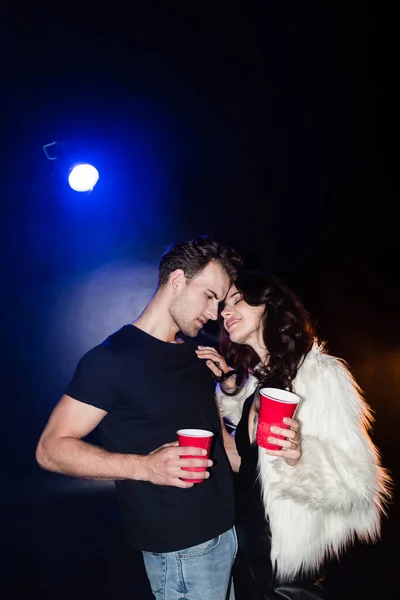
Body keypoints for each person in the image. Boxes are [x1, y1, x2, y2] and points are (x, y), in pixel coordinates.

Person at [35, 235, 243, 600]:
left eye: (219, 302)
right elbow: (50, 449)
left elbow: (221, 440)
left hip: (226, 534)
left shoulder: (194, 354)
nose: (215, 314)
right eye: (210, 296)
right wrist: (145, 467)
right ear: (177, 280)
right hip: (181, 553)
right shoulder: (111, 360)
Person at [195, 270, 391, 600]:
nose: (224, 313)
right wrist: (224, 391)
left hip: (288, 565)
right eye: (223, 306)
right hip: (248, 552)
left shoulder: (320, 375)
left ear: (270, 306)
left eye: (238, 301)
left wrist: (302, 456)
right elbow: (242, 463)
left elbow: (360, 484)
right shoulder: (257, 383)